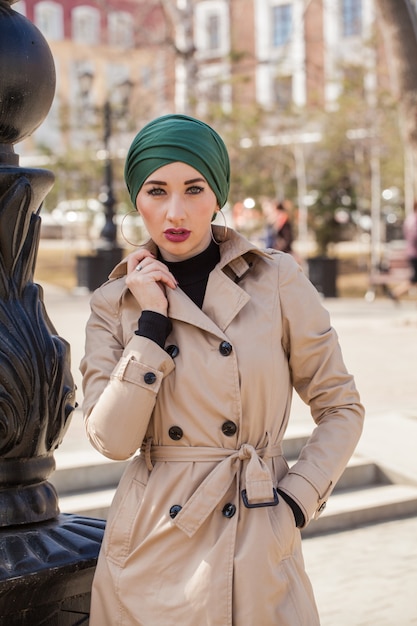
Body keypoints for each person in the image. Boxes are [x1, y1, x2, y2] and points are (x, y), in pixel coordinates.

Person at [80, 114, 364, 626]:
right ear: (135, 200)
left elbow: (341, 406)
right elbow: (113, 441)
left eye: (194, 188)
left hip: (257, 539)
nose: (175, 211)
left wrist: (295, 502)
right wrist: (149, 326)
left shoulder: (275, 279)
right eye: (156, 190)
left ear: (218, 195)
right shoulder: (113, 304)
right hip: (150, 549)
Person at [392, 201, 417, 299]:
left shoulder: (410, 219)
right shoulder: (415, 219)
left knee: (414, 278)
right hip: (415, 253)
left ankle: (396, 293)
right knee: (414, 278)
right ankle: (396, 292)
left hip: (411, 252)